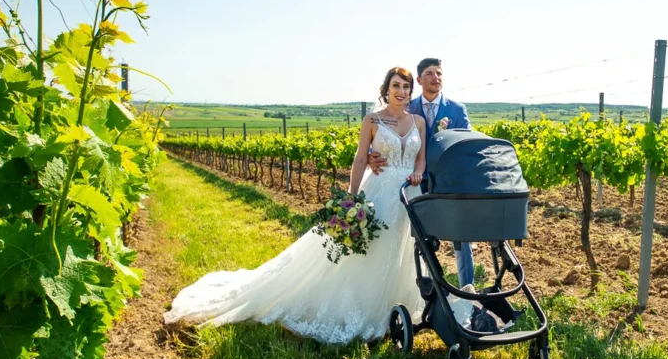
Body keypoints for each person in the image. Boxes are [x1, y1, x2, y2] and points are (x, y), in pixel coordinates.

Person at [163, 67, 428, 344]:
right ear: (386, 89)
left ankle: (395, 305)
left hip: (409, 193)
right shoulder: (372, 120)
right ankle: (367, 307)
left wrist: (418, 171)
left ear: (411, 91)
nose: (401, 92)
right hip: (378, 192)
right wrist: (352, 199)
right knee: (372, 249)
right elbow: (360, 159)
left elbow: (420, 157)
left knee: (402, 248)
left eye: (406, 87)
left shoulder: (417, 122)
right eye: (396, 85)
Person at [368, 57, 475, 289]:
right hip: (413, 183)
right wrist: (369, 154)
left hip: (447, 184)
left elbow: (467, 144)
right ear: (419, 79)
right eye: (429, 73)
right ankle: (427, 286)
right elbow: (384, 132)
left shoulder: (457, 109)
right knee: (416, 238)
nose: (435, 77)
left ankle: (469, 287)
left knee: (461, 236)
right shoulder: (407, 106)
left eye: (439, 73)